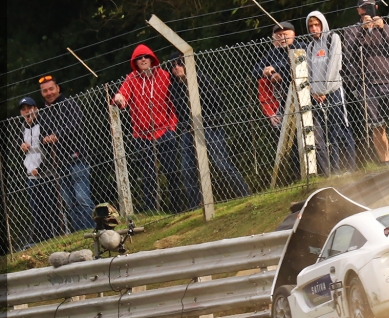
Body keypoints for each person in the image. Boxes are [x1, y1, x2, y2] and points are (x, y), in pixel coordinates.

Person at [166, 52, 252, 205]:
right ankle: (196, 206)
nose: (177, 68)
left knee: (221, 163)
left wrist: (210, 121)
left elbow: (217, 101)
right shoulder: (174, 88)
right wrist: (187, 126)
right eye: (173, 66)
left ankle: (245, 194)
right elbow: (179, 112)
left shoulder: (201, 79)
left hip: (210, 126)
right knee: (187, 169)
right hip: (189, 129)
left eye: (179, 64)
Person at [342, 0, 389, 166]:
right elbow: (348, 55)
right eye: (364, 7)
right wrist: (363, 30)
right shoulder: (351, 31)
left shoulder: (388, 27)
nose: (367, 10)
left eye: (370, 6)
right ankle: (386, 165)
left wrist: (381, 28)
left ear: (377, 7)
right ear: (358, 10)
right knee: (377, 126)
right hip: (366, 85)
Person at [112, 45, 184, 213]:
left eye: (146, 56)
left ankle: (177, 209)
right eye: (139, 58)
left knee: (172, 171)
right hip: (142, 135)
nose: (143, 59)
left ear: (152, 58)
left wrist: (172, 127)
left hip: (165, 130)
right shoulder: (131, 79)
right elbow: (122, 96)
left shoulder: (165, 76)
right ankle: (151, 212)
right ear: (135, 62)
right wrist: (119, 98)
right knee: (149, 176)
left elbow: (173, 102)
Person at [38, 75, 94, 231]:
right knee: (70, 202)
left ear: (57, 88)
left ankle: (94, 229)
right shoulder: (44, 113)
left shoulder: (69, 104)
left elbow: (76, 124)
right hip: (59, 163)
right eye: (45, 91)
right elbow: (41, 134)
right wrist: (45, 139)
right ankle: (80, 233)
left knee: (82, 197)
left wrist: (57, 135)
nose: (48, 93)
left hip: (77, 158)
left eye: (51, 89)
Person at [305, 11, 356, 175]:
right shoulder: (310, 47)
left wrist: (325, 90)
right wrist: (314, 91)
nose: (314, 28)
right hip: (318, 96)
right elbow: (309, 71)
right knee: (328, 133)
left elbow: (334, 66)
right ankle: (335, 171)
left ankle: (351, 168)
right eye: (311, 25)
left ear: (322, 24)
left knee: (342, 127)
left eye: (316, 24)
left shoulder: (333, 38)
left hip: (333, 91)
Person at [253, 22, 301, 183]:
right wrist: (266, 71)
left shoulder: (300, 45)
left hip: (301, 98)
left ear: (293, 34)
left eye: (285, 34)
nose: (282, 38)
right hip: (282, 103)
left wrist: (275, 69)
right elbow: (255, 69)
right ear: (273, 39)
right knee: (288, 142)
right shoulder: (272, 53)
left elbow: (293, 63)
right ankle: (296, 176)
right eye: (278, 35)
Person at [19, 97, 58, 244]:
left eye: (29, 107)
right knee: (37, 209)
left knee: (52, 207)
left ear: (36, 109)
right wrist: (21, 145)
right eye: (23, 109)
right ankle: (43, 240)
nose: (27, 111)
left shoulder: (44, 124)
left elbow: (51, 152)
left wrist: (40, 169)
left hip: (46, 175)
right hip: (31, 176)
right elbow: (20, 145)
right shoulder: (21, 128)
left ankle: (58, 235)